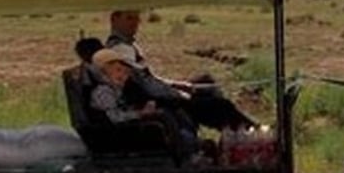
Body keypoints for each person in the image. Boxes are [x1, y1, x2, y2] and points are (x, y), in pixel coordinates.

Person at [106, 9, 257, 130]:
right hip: (156, 101)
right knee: (221, 105)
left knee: (206, 82)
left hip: (157, 95)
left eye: (136, 18)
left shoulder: (127, 46)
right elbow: (145, 86)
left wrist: (176, 84)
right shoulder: (121, 50)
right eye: (129, 18)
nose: (135, 23)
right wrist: (177, 93)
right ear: (114, 19)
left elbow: (149, 77)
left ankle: (239, 130)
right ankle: (250, 132)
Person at [89, 46, 198, 157]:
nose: (123, 75)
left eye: (126, 72)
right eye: (118, 70)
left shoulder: (116, 90)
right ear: (102, 73)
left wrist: (142, 109)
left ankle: (186, 148)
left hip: (121, 129)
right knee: (162, 116)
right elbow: (115, 117)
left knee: (164, 112)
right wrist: (140, 113)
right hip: (112, 133)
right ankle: (181, 153)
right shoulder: (103, 92)